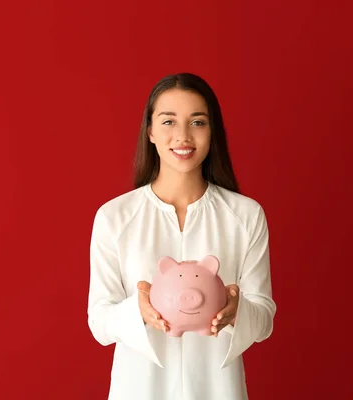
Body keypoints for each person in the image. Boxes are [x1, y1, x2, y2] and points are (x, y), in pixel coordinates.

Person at [86, 72, 276, 400]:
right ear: (150, 131)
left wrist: (236, 309)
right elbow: (99, 321)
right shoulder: (114, 217)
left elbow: (264, 318)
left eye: (198, 122)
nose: (183, 136)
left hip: (218, 391)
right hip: (140, 389)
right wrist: (139, 310)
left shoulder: (245, 216)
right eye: (169, 121)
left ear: (212, 131)